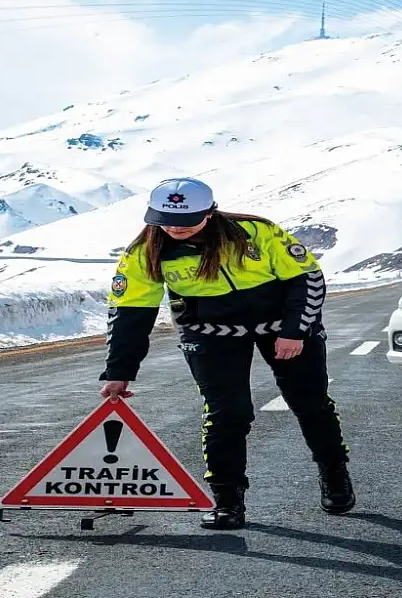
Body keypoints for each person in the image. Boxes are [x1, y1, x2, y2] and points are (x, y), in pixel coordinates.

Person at [97, 177, 355, 529]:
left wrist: (295, 331)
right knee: (227, 413)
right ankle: (227, 500)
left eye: (187, 221)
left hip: (283, 326)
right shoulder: (144, 251)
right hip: (208, 333)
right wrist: (119, 371)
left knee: (309, 402)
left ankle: (334, 473)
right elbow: (130, 312)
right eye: (165, 219)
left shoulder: (255, 232)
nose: (175, 228)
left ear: (209, 213)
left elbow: (307, 278)